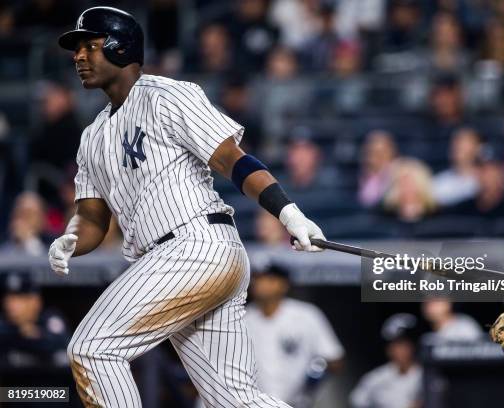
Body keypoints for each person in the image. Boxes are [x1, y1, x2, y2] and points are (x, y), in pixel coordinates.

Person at [49, 7, 326, 407]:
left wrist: (288, 213)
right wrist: (71, 238)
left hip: (194, 246)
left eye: (89, 46)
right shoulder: (92, 136)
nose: (78, 57)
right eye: (76, 50)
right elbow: (92, 216)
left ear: (121, 47)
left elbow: (233, 159)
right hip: (179, 262)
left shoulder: (168, 95)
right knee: (234, 400)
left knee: (93, 348)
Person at [245, 264, 344, 406]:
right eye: (257, 279)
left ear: (284, 284)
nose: (260, 284)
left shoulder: (306, 314)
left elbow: (335, 359)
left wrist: (315, 374)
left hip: (298, 403)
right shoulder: (241, 318)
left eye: (269, 279)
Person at [350, 313, 423, 408]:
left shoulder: (429, 375)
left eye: (405, 344)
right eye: (395, 345)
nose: (401, 350)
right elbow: (356, 402)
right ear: (388, 349)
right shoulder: (376, 378)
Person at [0, 272, 70, 369]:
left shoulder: (50, 319)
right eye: (9, 299)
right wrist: (21, 332)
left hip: (47, 381)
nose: (11, 305)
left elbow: (59, 343)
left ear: (35, 301)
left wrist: (36, 335)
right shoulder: (4, 325)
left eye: (19, 299)